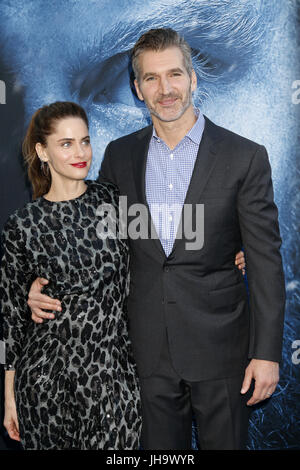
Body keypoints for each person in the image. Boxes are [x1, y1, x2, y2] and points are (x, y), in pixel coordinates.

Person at [27, 28, 285, 450]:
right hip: (144, 355)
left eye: (174, 75)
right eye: (151, 78)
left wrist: (267, 353)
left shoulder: (245, 156)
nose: (165, 89)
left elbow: (266, 261)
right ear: (137, 88)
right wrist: (43, 284)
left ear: (193, 79)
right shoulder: (120, 156)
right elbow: (103, 250)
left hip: (221, 352)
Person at [1, 101, 141, 450]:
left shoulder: (112, 200)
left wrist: (232, 248)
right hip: (46, 385)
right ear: (42, 151)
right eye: (66, 144)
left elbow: (167, 242)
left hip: (113, 382)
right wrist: (9, 398)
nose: (81, 153)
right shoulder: (23, 225)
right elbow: (11, 320)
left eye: (85, 141)